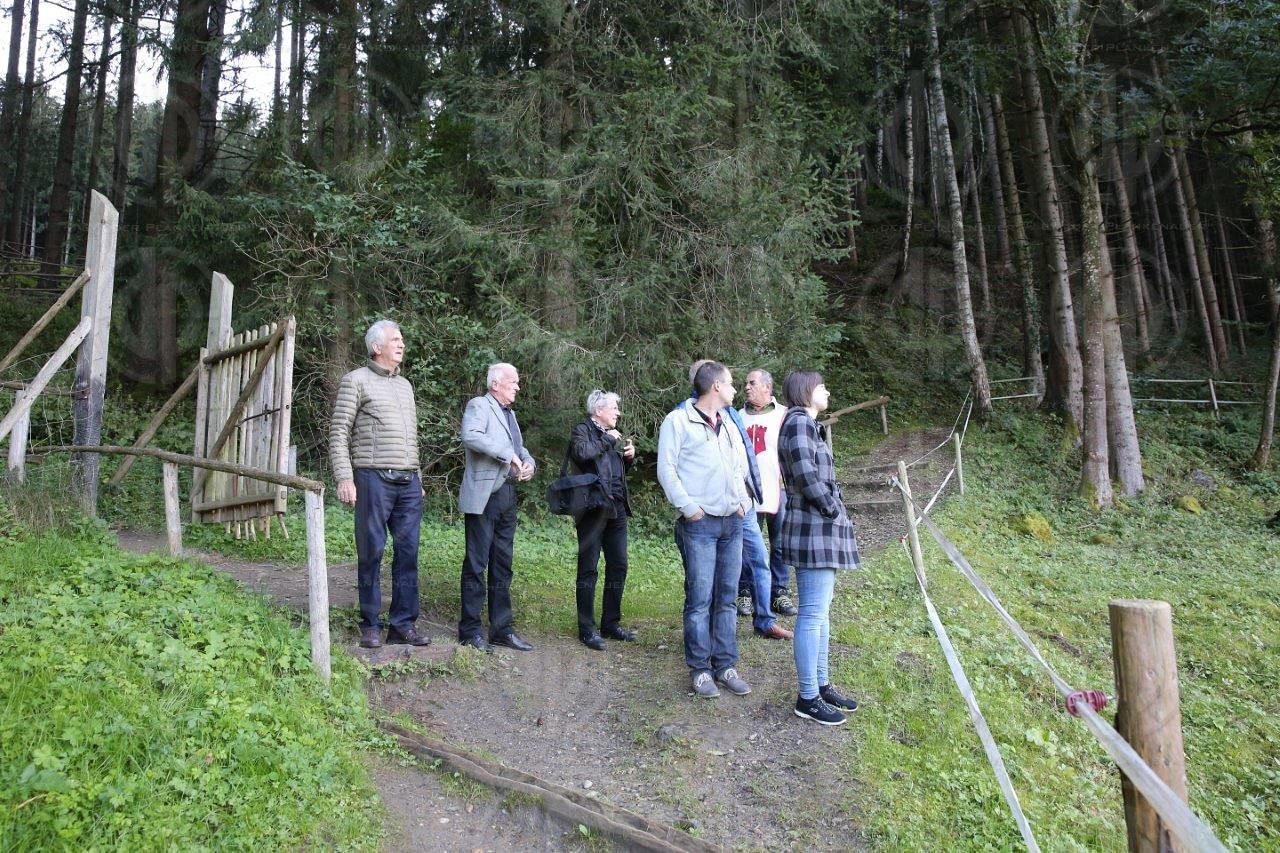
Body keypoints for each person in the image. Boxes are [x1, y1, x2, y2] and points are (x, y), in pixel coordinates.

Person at [330, 320, 429, 649]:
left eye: (402, 339)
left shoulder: (406, 386)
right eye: (395, 340)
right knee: (371, 552)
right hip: (372, 479)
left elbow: (410, 438)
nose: (402, 344)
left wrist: (418, 476)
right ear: (377, 347)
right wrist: (345, 476)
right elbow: (339, 432)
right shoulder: (355, 381)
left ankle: (402, 624)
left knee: (408, 554)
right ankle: (370, 624)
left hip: (408, 483)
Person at [658, 361, 754, 698]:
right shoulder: (678, 421)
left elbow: (740, 465)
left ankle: (725, 666)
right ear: (715, 386)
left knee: (726, 598)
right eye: (730, 384)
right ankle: (700, 671)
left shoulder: (728, 421)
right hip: (700, 524)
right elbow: (666, 470)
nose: (735, 389)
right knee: (700, 599)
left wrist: (743, 500)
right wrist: (689, 508)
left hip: (732, 522)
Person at [777, 369, 861, 726]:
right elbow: (806, 476)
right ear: (807, 391)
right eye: (822, 385)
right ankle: (807, 696)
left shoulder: (808, 425)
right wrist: (831, 507)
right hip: (813, 528)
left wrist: (833, 508)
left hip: (819, 529)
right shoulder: (797, 423)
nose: (827, 390)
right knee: (811, 614)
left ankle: (821, 685)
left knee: (820, 613)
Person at [458, 362, 537, 652]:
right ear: (495, 384)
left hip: (506, 496)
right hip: (483, 496)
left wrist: (528, 463)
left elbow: (520, 450)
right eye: (513, 382)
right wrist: (507, 455)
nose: (517, 387)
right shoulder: (479, 405)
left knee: (503, 566)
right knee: (477, 564)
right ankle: (469, 631)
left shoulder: (510, 414)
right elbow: (472, 435)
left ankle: (501, 630)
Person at [569, 390, 637, 650]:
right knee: (588, 569)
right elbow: (582, 455)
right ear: (598, 411)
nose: (618, 412)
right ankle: (587, 629)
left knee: (619, 565)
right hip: (591, 510)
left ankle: (610, 623)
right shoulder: (582, 430)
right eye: (614, 408)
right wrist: (609, 440)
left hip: (616, 509)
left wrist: (627, 459)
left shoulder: (611, 436)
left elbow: (611, 470)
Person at [741, 368, 798, 618]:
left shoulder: (784, 415)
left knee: (780, 543)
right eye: (745, 383)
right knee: (745, 545)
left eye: (752, 383)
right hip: (747, 491)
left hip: (779, 489)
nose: (746, 387)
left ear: (767, 387)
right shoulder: (737, 416)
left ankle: (779, 592)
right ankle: (744, 592)